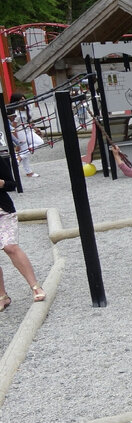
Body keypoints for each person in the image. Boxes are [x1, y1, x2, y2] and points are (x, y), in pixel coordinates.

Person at [0, 157, 45, 311]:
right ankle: (2, 296)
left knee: (10, 247)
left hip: (3, 212)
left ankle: (35, 286)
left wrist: (2, 183)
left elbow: (12, 184)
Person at [6, 94, 43, 178]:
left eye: (24, 99)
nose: (23, 101)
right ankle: (29, 172)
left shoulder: (27, 109)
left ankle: (19, 157)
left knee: (39, 142)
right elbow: (13, 127)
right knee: (24, 149)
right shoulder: (14, 112)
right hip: (19, 131)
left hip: (28, 129)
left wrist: (36, 128)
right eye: (20, 100)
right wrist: (17, 141)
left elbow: (29, 121)